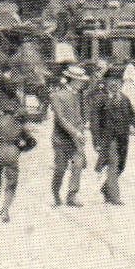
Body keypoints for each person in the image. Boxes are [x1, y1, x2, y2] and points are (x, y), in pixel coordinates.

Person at [0, 99, 36, 222]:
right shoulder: (20, 124)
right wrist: (21, 148)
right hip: (13, 153)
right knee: (11, 182)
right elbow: (32, 142)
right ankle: (5, 209)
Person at [92, 70, 135, 205]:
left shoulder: (124, 98)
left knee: (121, 166)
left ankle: (106, 188)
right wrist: (96, 141)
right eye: (111, 81)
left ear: (121, 83)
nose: (114, 84)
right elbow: (95, 121)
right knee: (113, 164)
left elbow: (132, 115)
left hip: (123, 138)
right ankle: (115, 196)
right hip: (108, 139)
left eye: (117, 82)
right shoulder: (100, 99)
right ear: (106, 83)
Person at [50, 64, 92, 206]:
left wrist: (83, 126)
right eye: (80, 81)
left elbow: (83, 115)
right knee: (60, 168)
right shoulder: (56, 95)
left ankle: (72, 196)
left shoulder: (80, 96)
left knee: (78, 165)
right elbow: (61, 119)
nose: (82, 83)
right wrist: (75, 132)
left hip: (77, 139)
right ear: (72, 80)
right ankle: (56, 192)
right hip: (61, 139)